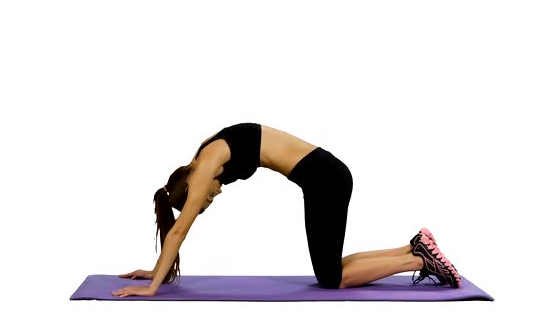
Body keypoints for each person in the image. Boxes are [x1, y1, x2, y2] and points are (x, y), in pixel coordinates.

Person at [111, 123, 461, 297]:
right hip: (324, 176)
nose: (212, 197)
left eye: (204, 201)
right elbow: (177, 226)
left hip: (326, 179)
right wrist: (157, 268)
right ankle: (412, 246)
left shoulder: (203, 169)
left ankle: (418, 260)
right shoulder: (200, 159)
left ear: (192, 188)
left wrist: (152, 286)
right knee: (330, 267)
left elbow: (178, 230)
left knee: (332, 279)